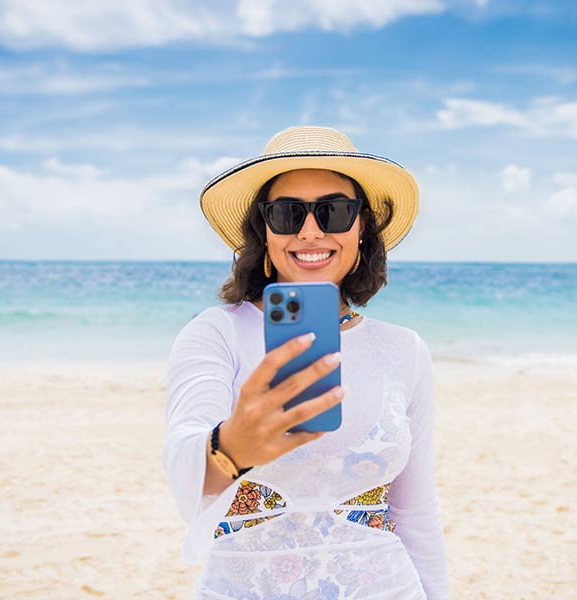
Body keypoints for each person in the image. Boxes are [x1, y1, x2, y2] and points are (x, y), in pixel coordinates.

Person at [164, 126, 449, 599]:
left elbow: (417, 512)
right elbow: (184, 474)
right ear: (264, 231)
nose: (311, 231)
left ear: (361, 229)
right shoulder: (217, 333)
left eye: (334, 212)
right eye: (288, 213)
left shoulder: (404, 350)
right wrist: (232, 446)